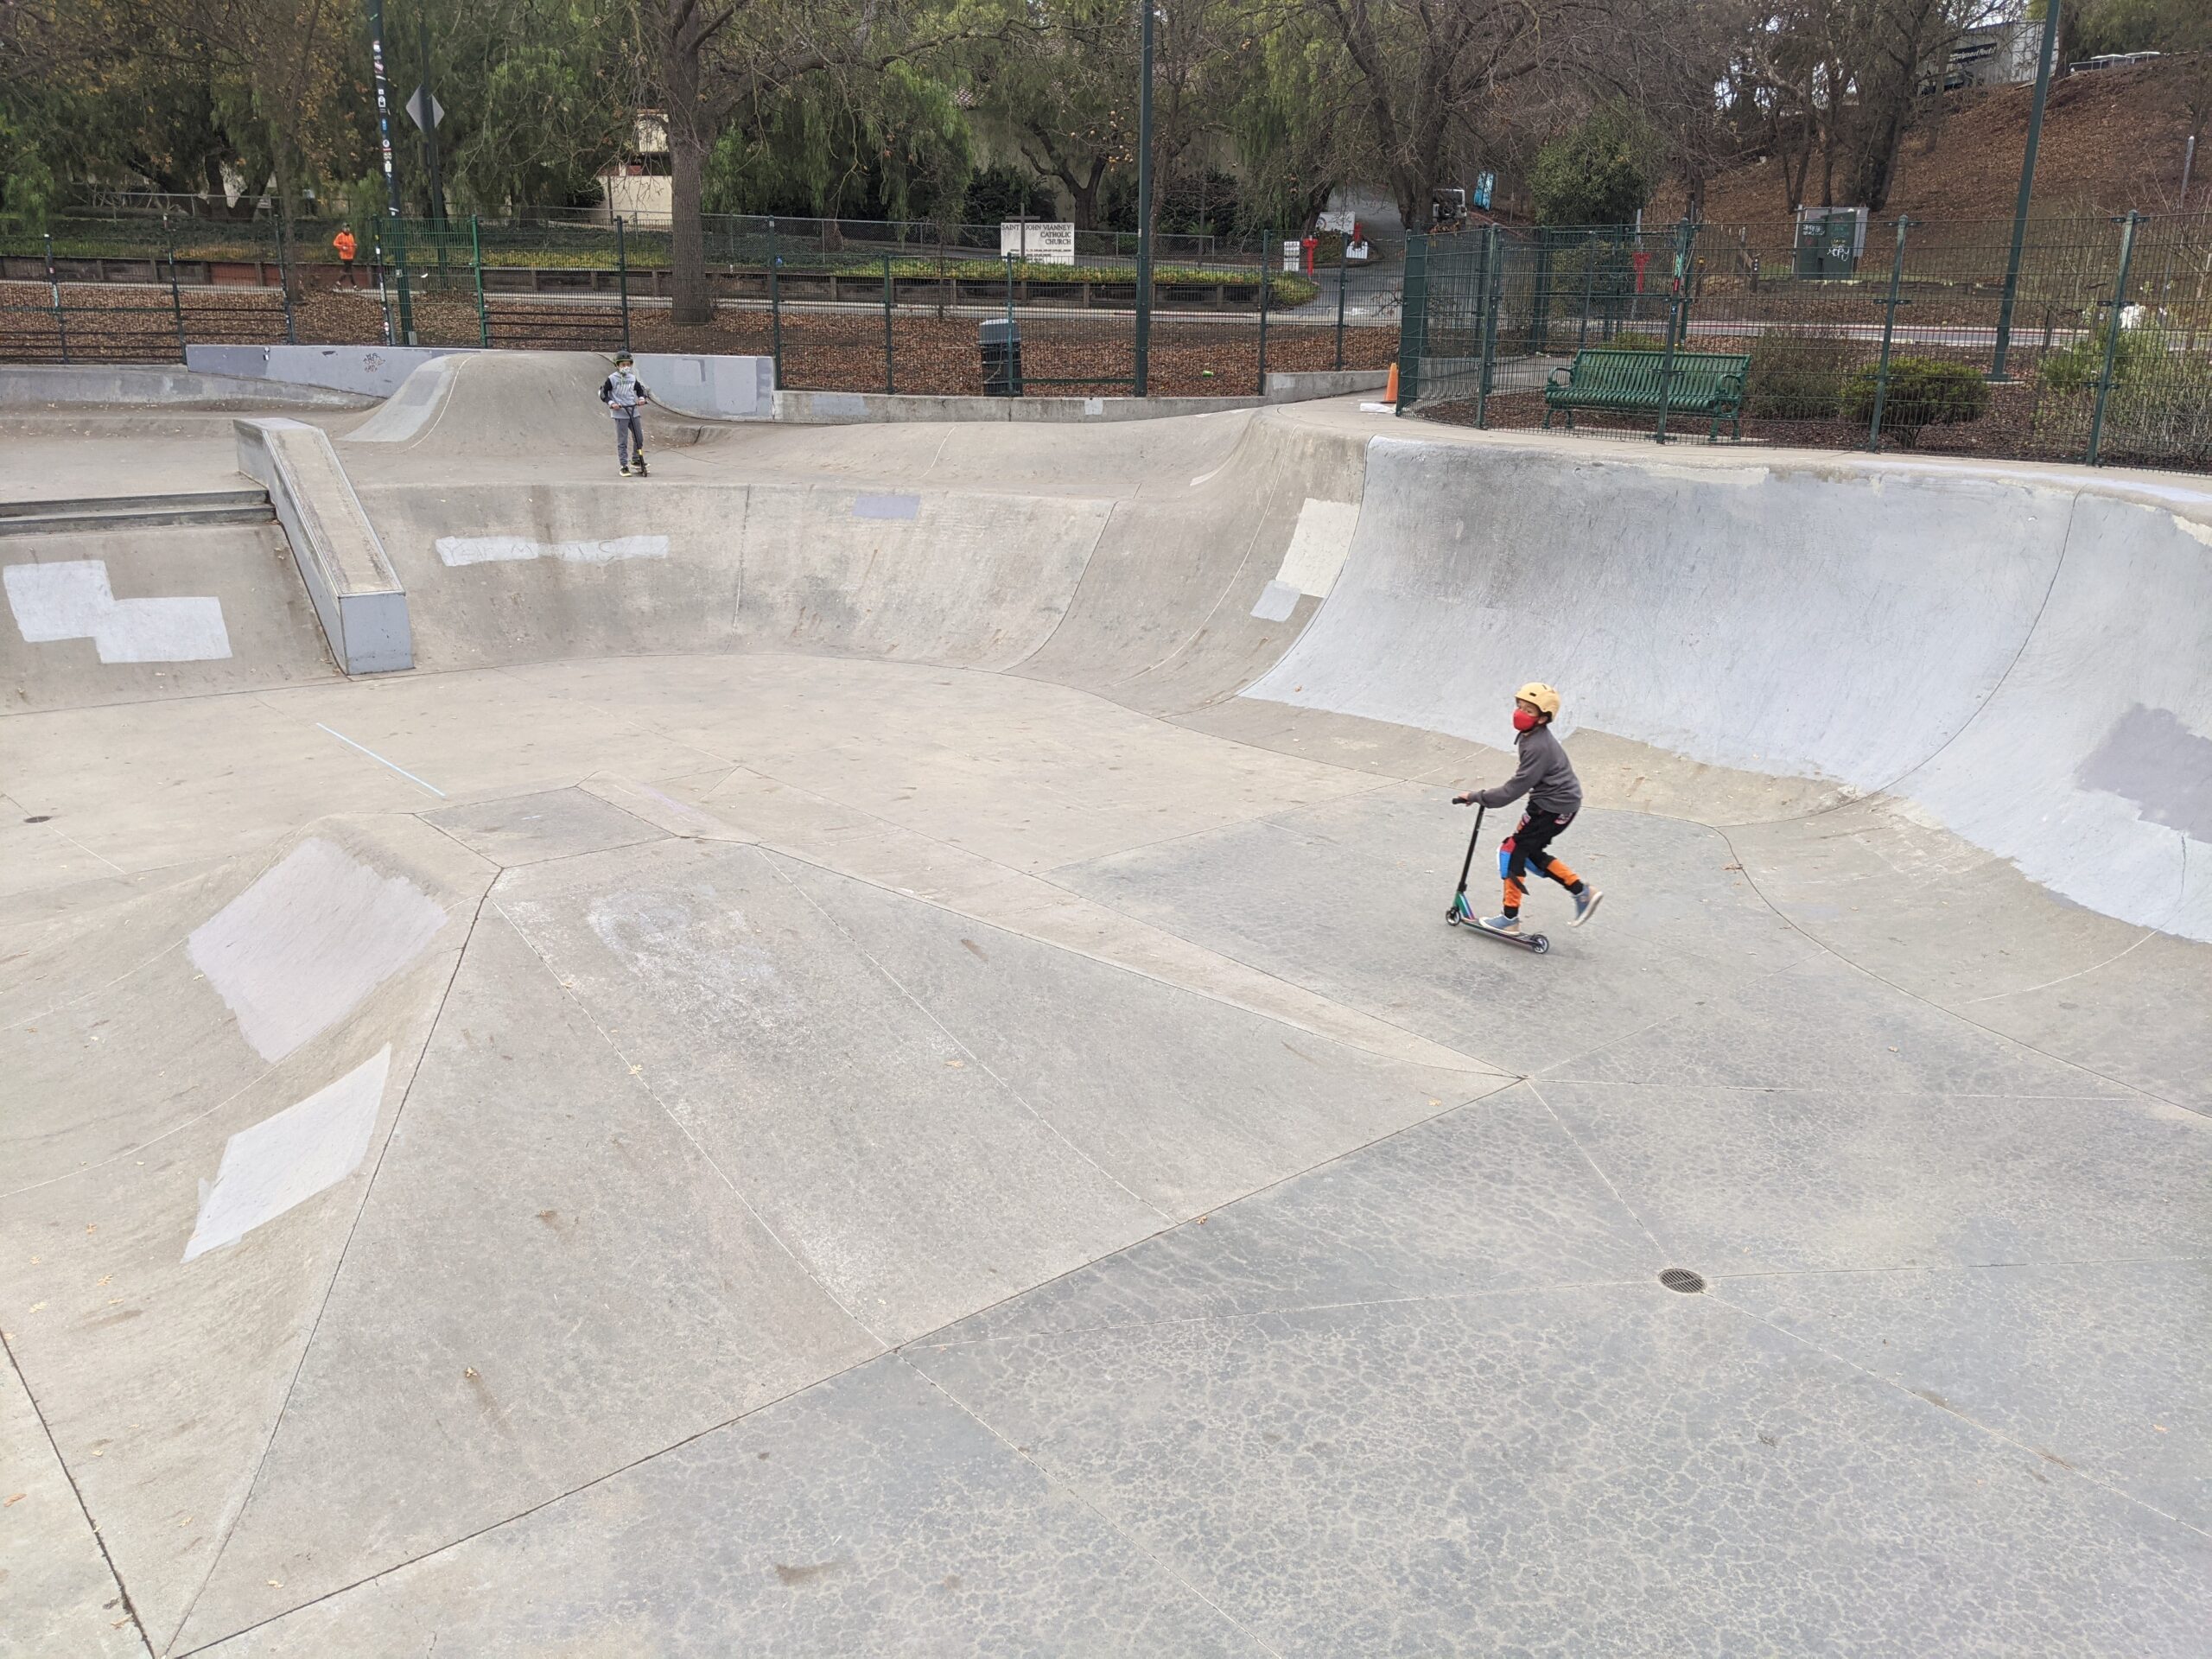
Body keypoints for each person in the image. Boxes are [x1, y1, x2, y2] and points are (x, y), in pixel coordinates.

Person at [1452, 682, 1602, 934]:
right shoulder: (1530, 736)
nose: (1520, 713)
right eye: (1520, 706)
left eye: (1529, 711)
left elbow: (1513, 789)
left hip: (1553, 807)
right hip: (1552, 804)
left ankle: (1510, 918)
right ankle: (1581, 891)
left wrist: (1478, 796)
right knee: (1529, 852)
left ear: (1543, 719)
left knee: (1513, 851)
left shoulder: (1537, 746)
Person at [598, 352, 652, 476]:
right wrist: (611, 403)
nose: (625, 367)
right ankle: (623, 465)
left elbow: (639, 390)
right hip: (620, 413)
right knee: (622, 441)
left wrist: (642, 398)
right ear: (617, 365)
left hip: (633, 411)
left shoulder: (632, 378)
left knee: (639, 437)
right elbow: (603, 393)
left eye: (628, 364)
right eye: (623, 365)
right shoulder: (612, 379)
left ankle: (636, 460)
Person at [332, 225, 358, 289]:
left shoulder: (351, 235)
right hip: (345, 256)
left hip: (350, 256)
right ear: (343, 229)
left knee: (347, 271)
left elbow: (351, 244)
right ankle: (355, 286)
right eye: (346, 228)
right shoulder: (340, 235)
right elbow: (335, 243)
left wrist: (354, 245)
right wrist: (342, 247)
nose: (347, 229)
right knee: (349, 270)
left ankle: (338, 282)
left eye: (348, 228)